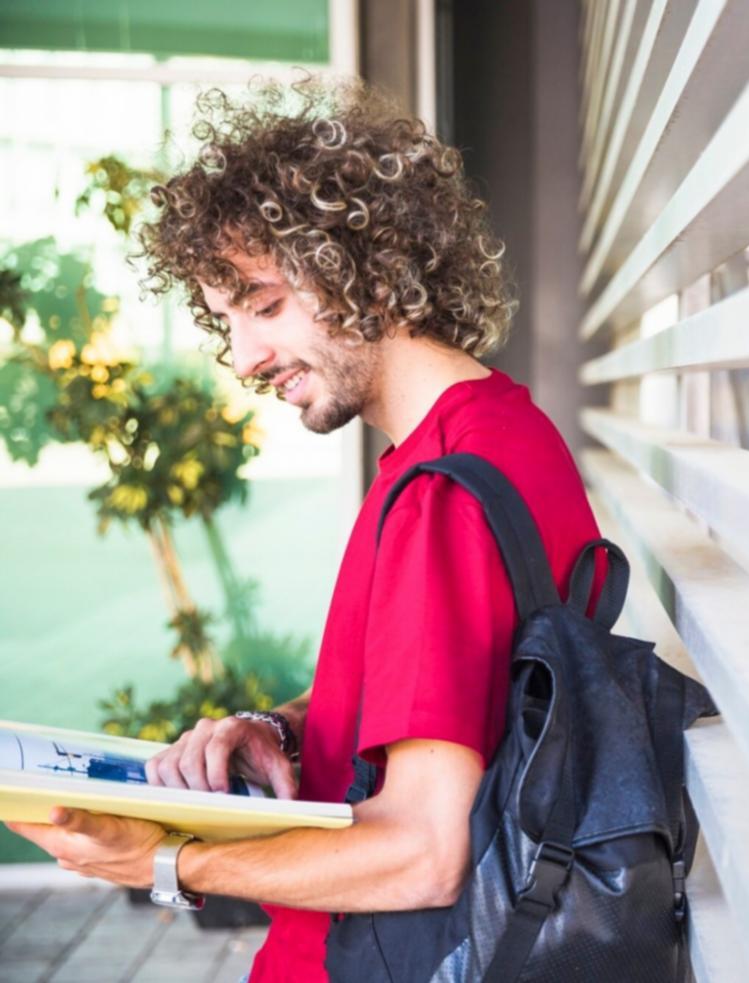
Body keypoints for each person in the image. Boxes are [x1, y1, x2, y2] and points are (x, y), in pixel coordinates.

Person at [4, 77, 601, 982]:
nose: (243, 358)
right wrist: (281, 730)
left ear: (369, 262)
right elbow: (467, 706)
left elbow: (422, 849)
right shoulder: (489, 441)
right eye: (225, 320)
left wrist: (161, 863)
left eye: (265, 303)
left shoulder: (449, 490)